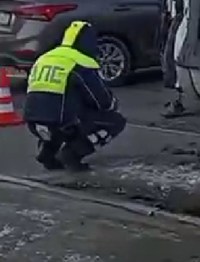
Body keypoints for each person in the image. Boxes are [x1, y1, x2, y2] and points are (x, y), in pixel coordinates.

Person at [23, 20, 127, 171]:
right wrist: (112, 104)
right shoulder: (80, 62)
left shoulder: (46, 57)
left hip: (33, 122)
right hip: (64, 123)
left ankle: (48, 152)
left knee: (57, 108)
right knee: (115, 121)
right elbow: (101, 101)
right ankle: (72, 154)